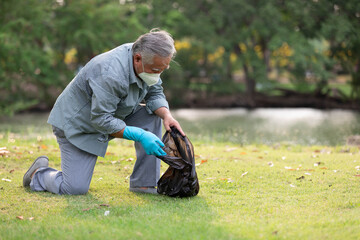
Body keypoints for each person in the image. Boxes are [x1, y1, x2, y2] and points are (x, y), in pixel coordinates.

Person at [23, 29, 185, 195]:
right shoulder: (110, 73)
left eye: (163, 69)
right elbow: (101, 119)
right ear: (138, 59)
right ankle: (38, 174)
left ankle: (144, 185)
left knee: (154, 116)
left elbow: (155, 92)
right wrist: (140, 135)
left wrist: (167, 116)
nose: (158, 74)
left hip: (115, 113)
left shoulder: (147, 58)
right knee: (74, 188)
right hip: (79, 125)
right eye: (156, 70)